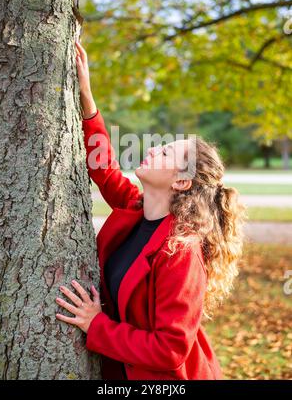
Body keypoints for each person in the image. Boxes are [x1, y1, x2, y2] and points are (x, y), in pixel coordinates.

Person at [55, 39, 246, 380]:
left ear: (181, 182)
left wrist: (96, 324)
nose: (155, 149)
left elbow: (170, 350)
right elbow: (105, 169)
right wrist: (87, 99)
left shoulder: (181, 251)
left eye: (168, 153)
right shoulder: (136, 208)